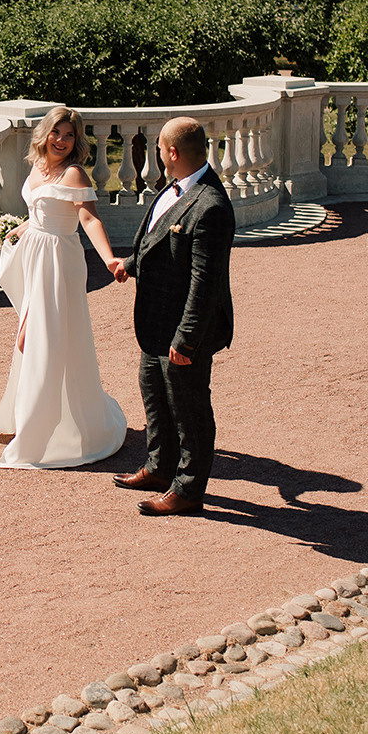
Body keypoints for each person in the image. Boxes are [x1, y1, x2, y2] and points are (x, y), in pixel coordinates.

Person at [0, 106, 129, 469]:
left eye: (69, 135)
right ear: (45, 134)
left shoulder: (75, 174)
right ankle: (36, 417)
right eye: (57, 133)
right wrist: (19, 228)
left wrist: (110, 259)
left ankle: (47, 429)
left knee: (40, 337)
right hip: (35, 255)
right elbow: (40, 210)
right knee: (34, 336)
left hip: (59, 262)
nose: (62, 141)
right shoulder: (38, 167)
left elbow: (88, 217)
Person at [109, 117, 235, 515]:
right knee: (155, 394)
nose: (158, 155)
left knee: (189, 408)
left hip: (184, 330)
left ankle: (188, 490)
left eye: (160, 149)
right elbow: (158, 237)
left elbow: (206, 282)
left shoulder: (211, 205)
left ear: (173, 153)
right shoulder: (176, 187)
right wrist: (131, 263)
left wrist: (187, 340)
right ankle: (160, 468)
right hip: (155, 323)